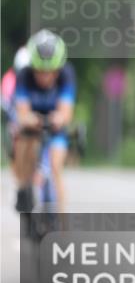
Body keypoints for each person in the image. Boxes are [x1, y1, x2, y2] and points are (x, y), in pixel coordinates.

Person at [12, 30, 76, 215]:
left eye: (50, 72)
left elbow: (66, 111)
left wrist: (60, 118)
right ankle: (24, 189)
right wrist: (29, 120)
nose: (45, 77)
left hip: (55, 126)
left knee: (55, 168)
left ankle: (62, 228)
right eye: (40, 72)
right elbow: (22, 112)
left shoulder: (67, 74)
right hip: (32, 126)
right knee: (24, 155)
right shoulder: (24, 76)